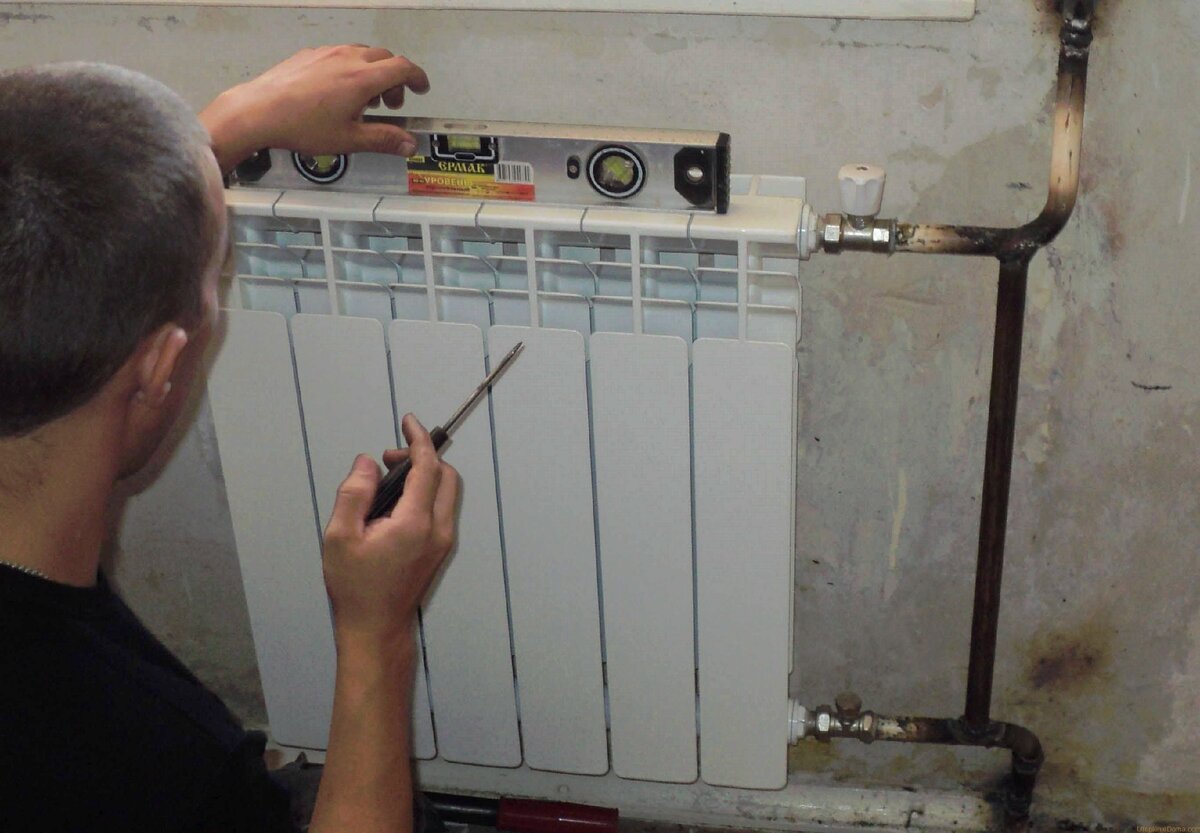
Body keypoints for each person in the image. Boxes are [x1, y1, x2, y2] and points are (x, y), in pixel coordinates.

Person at [0, 46, 459, 833]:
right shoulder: (142, 757)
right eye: (213, 281)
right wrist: (375, 632)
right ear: (160, 366)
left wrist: (232, 124)